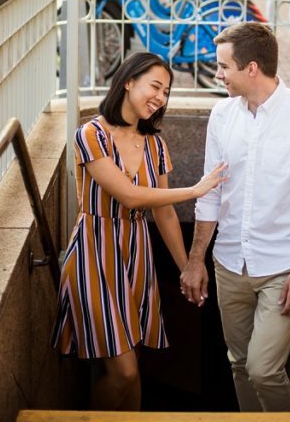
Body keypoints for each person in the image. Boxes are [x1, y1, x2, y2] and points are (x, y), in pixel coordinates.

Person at [52, 52, 228, 411]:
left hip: (136, 258)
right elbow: (130, 196)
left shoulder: (155, 144)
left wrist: (186, 268)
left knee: (133, 368)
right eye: (155, 86)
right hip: (94, 252)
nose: (160, 98)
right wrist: (195, 189)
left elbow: (163, 212)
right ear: (129, 81)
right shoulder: (91, 134)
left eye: (166, 91)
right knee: (125, 373)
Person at [180, 23, 290, 413]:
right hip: (229, 262)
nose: (217, 75)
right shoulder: (221, 114)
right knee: (240, 364)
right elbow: (210, 192)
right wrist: (196, 259)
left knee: (264, 369)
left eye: (223, 67)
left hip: (282, 267)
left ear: (251, 68)